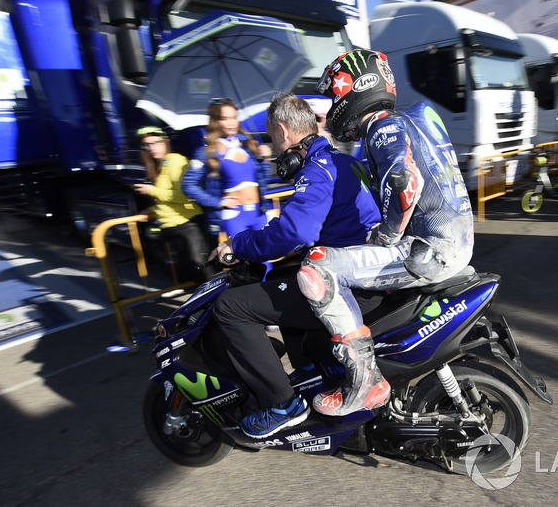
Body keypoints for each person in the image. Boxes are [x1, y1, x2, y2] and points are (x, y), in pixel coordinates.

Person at [297, 49, 475, 416]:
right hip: (458, 243)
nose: (332, 107)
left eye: (333, 96)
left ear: (355, 89)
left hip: (426, 251)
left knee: (317, 269)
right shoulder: (421, 116)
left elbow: (405, 183)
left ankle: (363, 380)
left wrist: (388, 235)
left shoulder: (381, 127)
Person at [209, 92, 381, 438]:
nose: (273, 148)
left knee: (230, 307)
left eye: (272, 138)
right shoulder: (347, 162)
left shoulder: (318, 170)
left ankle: (282, 404)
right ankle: (313, 373)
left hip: (345, 285)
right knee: (286, 275)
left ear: (285, 131)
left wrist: (238, 246)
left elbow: (295, 232)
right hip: (369, 271)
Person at [182, 98, 272, 248]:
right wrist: (218, 202)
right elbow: (188, 185)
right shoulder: (206, 152)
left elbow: (262, 179)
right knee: (244, 263)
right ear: (215, 121)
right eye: (225, 118)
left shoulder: (248, 145)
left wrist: (266, 160)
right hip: (235, 216)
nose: (231, 123)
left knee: (266, 258)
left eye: (234, 117)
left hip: (259, 212)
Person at [132, 126, 212, 284]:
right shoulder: (160, 165)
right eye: (146, 145)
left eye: (156, 142)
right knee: (191, 275)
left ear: (165, 142)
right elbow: (166, 198)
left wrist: (152, 191)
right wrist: (152, 210)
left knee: (205, 273)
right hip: (173, 226)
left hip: (188, 225)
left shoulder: (176, 161)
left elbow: (183, 196)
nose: (151, 148)